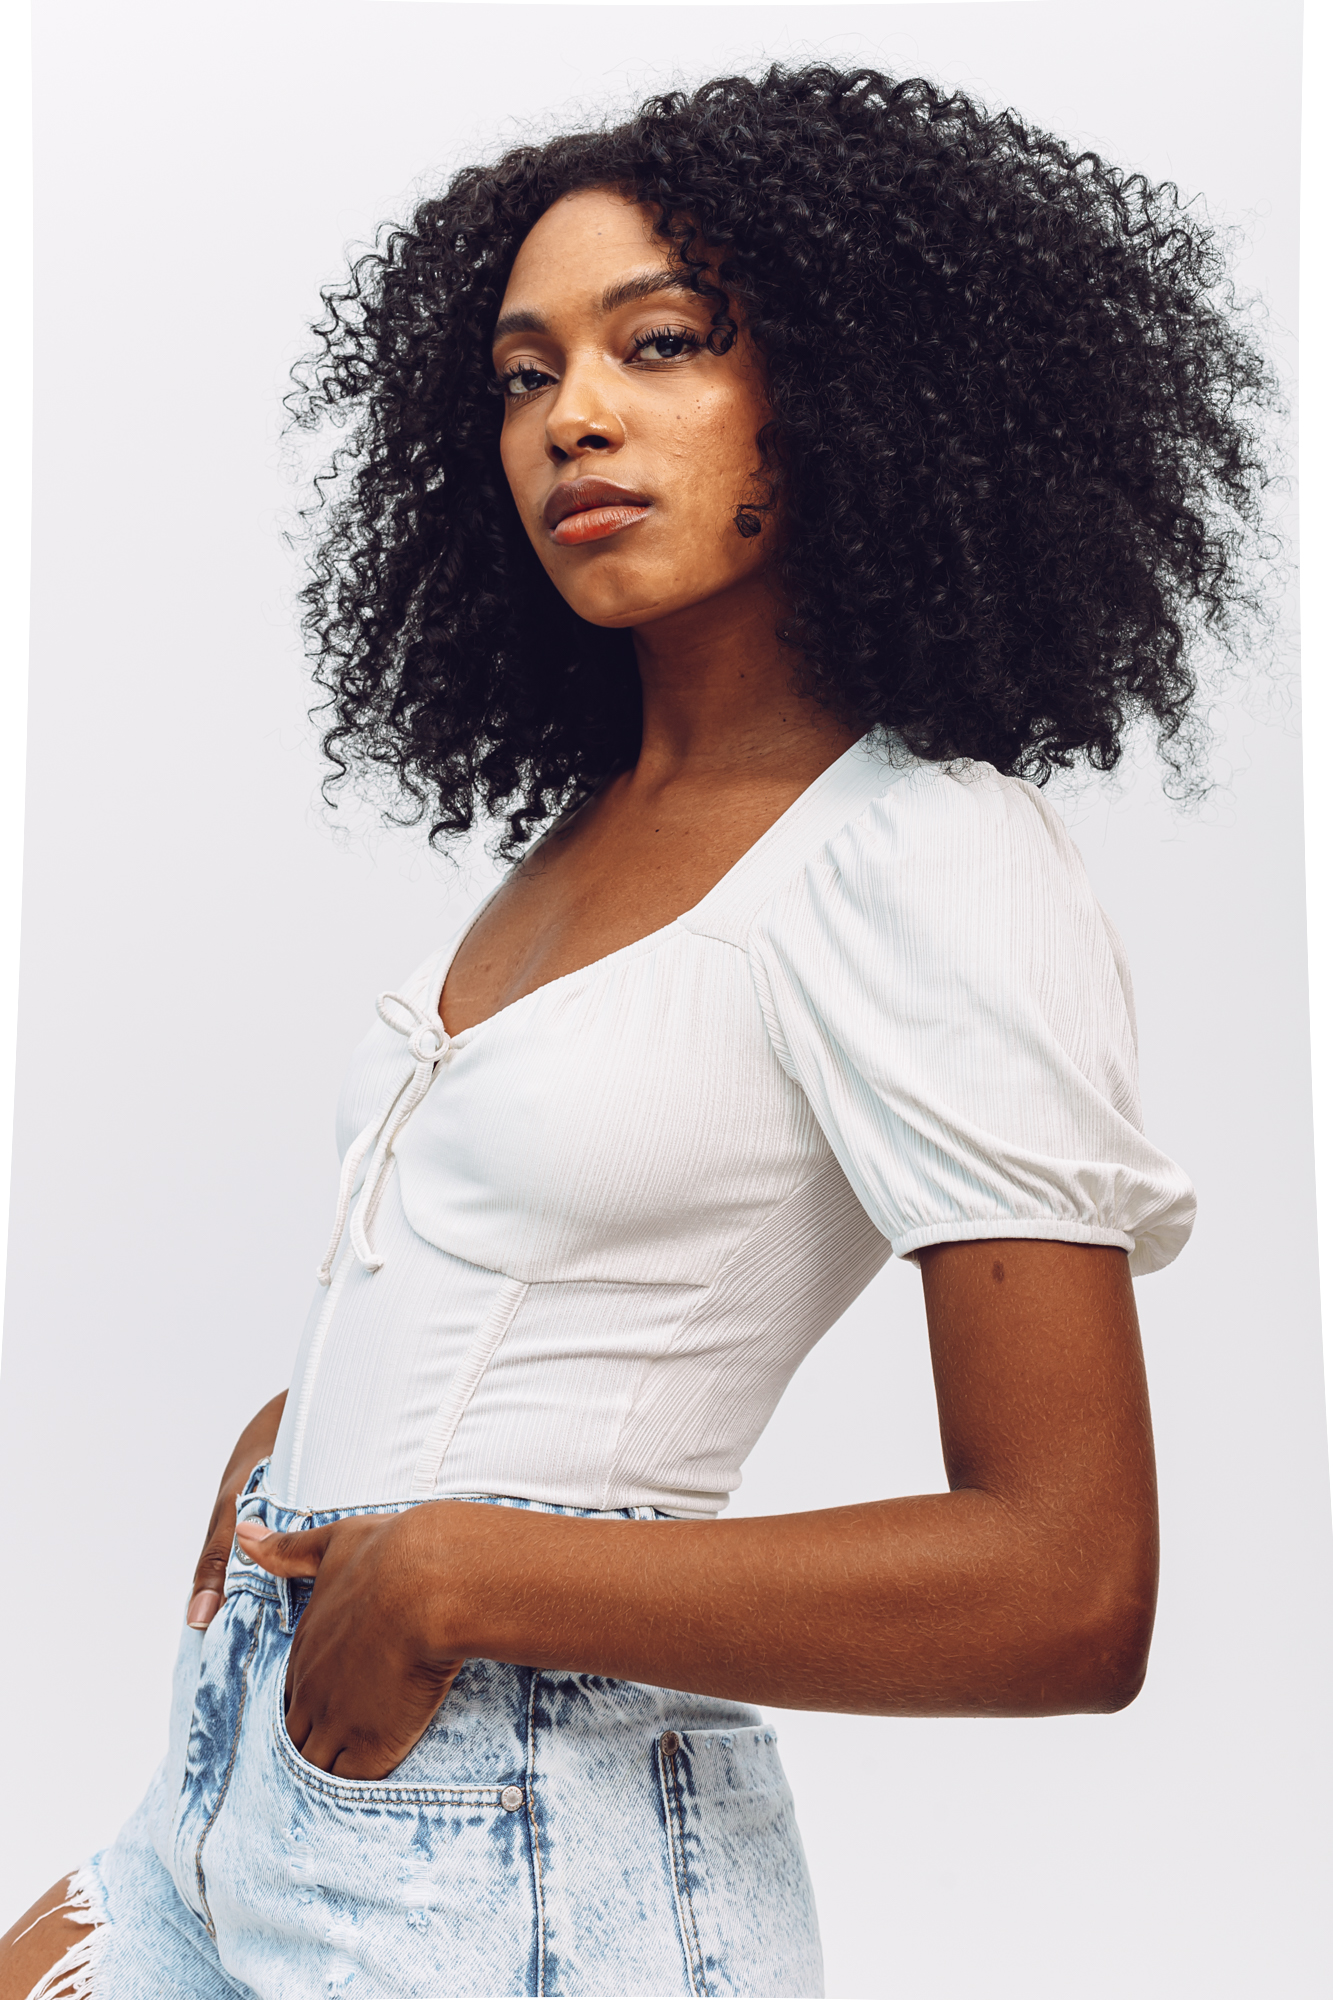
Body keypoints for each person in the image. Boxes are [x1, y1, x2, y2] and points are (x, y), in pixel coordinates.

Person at [0, 61, 1276, 2000]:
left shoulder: (920, 857)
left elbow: (1067, 1581)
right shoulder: (585, 837)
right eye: (523, 375)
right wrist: (310, 1444)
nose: (572, 415)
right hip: (232, 1775)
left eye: (659, 343)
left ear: (844, 384)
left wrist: (455, 1569)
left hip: (511, 1852)